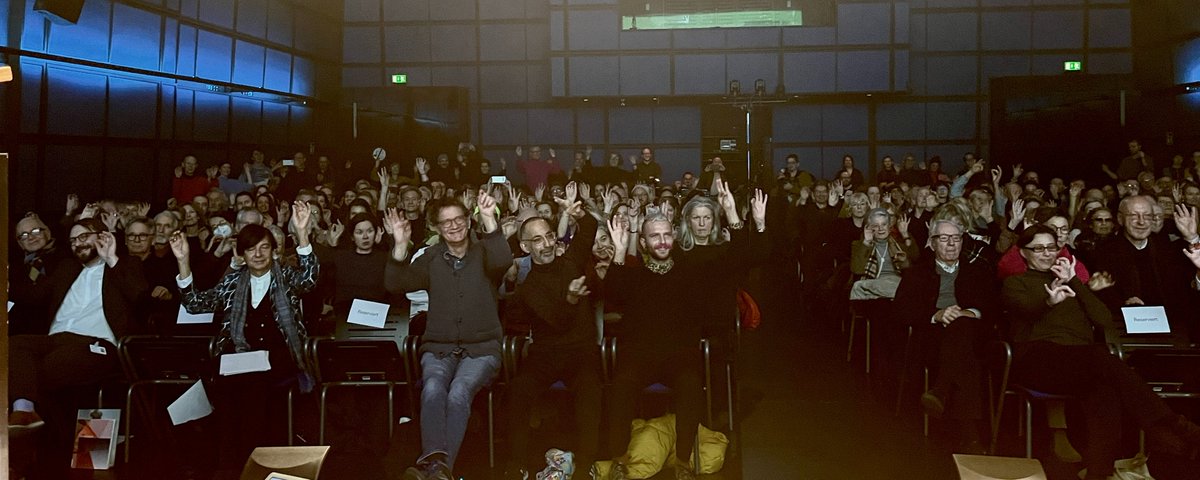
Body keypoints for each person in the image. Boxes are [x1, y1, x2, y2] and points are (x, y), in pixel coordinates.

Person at [1002, 225, 1200, 479]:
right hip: (1039, 358)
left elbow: (1103, 319)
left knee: (1102, 387)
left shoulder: (1074, 285)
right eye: (1038, 248)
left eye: (1052, 247)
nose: (1046, 253)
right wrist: (1049, 301)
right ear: (1023, 253)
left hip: (1083, 361)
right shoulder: (1015, 283)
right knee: (1099, 357)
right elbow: (1025, 309)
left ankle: (1099, 472)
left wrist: (1075, 281)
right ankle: (1176, 428)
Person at [172, 201, 319, 477]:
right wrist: (183, 261)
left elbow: (310, 279)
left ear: (274, 252)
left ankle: (248, 465)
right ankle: (232, 463)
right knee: (227, 389)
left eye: (264, 247)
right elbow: (194, 304)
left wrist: (301, 233)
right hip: (238, 357)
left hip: (281, 356)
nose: (258, 254)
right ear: (242, 255)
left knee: (250, 387)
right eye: (251, 249)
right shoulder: (231, 282)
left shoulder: (286, 277)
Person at [383, 191, 513, 480]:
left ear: (468, 221)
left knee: (458, 393)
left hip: (482, 349)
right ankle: (439, 470)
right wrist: (400, 246)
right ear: (436, 228)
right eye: (446, 222)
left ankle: (433, 467)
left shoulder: (484, 253)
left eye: (458, 219)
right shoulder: (430, 257)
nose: (453, 226)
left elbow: (503, 262)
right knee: (431, 389)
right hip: (439, 347)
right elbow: (395, 284)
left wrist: (491, 221)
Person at [9, 218, 149, 474]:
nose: (77, 244)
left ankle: (45, 454)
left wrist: (112, 259)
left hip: (96, 345)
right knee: (14, 346)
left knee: (32, 376)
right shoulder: (66, 268)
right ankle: (24, 413)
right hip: (55, 340)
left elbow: (138, 295)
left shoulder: (126, 264)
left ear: (102, 236)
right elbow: (34, 295)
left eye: (83, 237)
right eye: (73, 240)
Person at [503, 200, 602, 478]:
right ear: (525, 247)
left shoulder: (570, 262)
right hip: (546, 355)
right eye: (537, 240)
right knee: (519, 390)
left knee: (590, 390)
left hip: (581, 351)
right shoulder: (528, 287)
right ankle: (517, 463)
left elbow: (590, 227)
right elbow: (558, 321)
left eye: (549, 236)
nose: (546, 244)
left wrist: (577, 212)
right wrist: (570, 299)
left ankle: (586, 464)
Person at [892, 219, 996, 452]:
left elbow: (992, 307)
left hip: (972, 335)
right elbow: (901, 311)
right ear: (931, 243)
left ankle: (941, 389)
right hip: (933, 338)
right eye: (944, 238)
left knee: (961, 328)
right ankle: (971, 434)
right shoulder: (917, 273)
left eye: (956, 238)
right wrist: (937, 314)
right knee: (964, 356)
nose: (951, 244)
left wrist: (969, 312)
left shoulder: (978, 272)